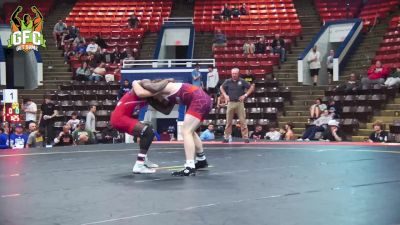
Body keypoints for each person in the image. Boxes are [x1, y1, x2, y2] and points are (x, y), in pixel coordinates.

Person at [136, 79, 213, 176]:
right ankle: (201, 159)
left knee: (186, 131)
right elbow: (166, 111)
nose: (157, 99)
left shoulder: (162, 87)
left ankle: (190, 167)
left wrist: (136, 82)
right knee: (190, 131)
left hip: (199, 99)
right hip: (204, 100)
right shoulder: (166, 92)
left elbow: (140, 92)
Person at [111, 79, 173, 174]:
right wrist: (167, 81)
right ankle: (139, 165)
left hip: (123, 117)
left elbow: (166, 111)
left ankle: (143, 160)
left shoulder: (148, 97)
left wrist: (174, 99)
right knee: (148, 132)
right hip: (119, 118)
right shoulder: (140, 84)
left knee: (145, 132)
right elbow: (144, 91)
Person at [220, 68, 255, 143]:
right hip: (230, 103)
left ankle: (245, 137)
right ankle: (226, 137)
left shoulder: (242, 81)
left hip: (240, 103)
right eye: (233, 73)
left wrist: (245, 95)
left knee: (242, 121)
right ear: (231, 74)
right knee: (228, 121)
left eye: (235, 73)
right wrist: (225, 95)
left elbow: (251, 88)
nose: (234, 75)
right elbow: (221, 87)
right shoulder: (228, 81)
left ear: (238, 73)